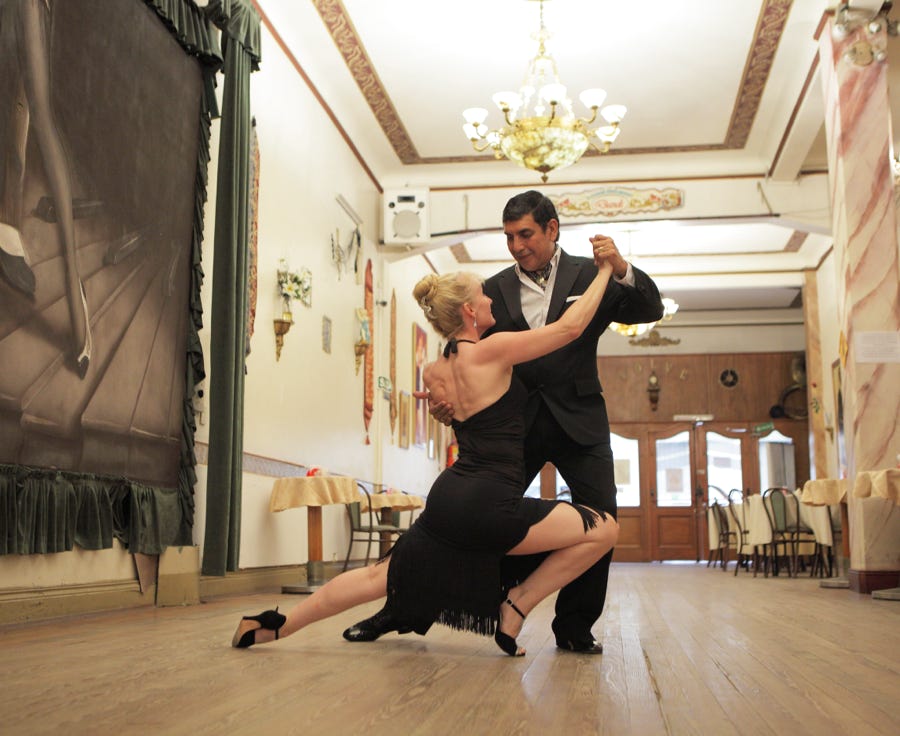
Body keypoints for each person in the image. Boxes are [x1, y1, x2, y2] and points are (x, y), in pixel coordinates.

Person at [231, 258, 620, 656]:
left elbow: (456, 411)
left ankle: (275, 626)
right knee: (605, 529)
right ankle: (517, 605)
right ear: (469, 310)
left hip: (450, 499)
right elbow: (570, 328)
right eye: (483, 295)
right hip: (491, 502)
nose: (490, 300)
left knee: (376, 576)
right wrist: (604, 272)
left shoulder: (434, 371)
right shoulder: (494, 351)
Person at [347, 190, 664, 654]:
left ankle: (574, 626)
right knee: (457, 522)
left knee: (600, 522)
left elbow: (649, 309)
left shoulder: (589, 274)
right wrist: (445, 403)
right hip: (514, 428)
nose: (516, 246)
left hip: (581, 424)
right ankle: (404, 605)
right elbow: (460, 358)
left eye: (526, 234)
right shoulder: (489, 290)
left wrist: (619, 266)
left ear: (552, 229)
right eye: (509, 237)